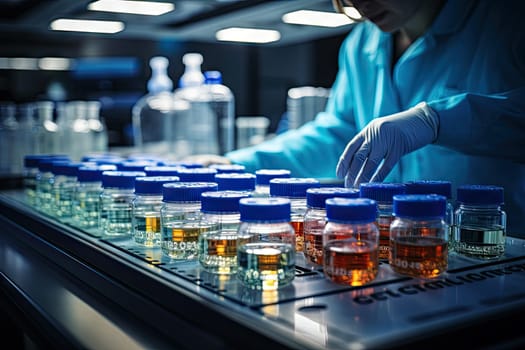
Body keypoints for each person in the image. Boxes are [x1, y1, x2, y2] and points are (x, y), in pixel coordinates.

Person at [184, 0, 525, 235]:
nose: (358, 4)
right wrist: (237, 165)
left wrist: (438, 120)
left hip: (502, 243)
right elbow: (339, 135)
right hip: (399, 235)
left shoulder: (505, 18)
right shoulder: (362, 41)